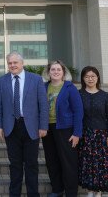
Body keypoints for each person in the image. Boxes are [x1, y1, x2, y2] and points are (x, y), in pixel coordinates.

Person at [0, 51, 49, 197]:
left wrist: (43, 126)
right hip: (11, 128)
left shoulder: (36, 79)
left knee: (31, 164)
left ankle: (33, 194)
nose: (12, 65)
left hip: (31, 127)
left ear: (22, 63)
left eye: (15, 63)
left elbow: (43, 104)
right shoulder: (2, 81)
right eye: (10, 63)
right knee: (15, 164)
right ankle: (14, 194)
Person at [42, 60, 83, 197]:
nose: (55, 72)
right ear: (48, 73)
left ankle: (71, 192)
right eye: (53, 69)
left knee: (68, 162)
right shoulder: (43, 87)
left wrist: (77, 133)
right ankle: (57, 189)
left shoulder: (70, 88)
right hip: (47, 129)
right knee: (52, 161)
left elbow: (78, 111)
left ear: (63, 73)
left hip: (66, 129)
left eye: (58, 69)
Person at [78, 66, 108, 197]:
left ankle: (98, 191)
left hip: (101, 135)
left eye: (93, 76)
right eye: (87, 76)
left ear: (97, 77)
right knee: (87, 163)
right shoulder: (79, 94)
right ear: (83, 78)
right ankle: (89, 190)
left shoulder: (105, 96)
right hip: (85, 135)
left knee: (100, 164)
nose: (90, 79)